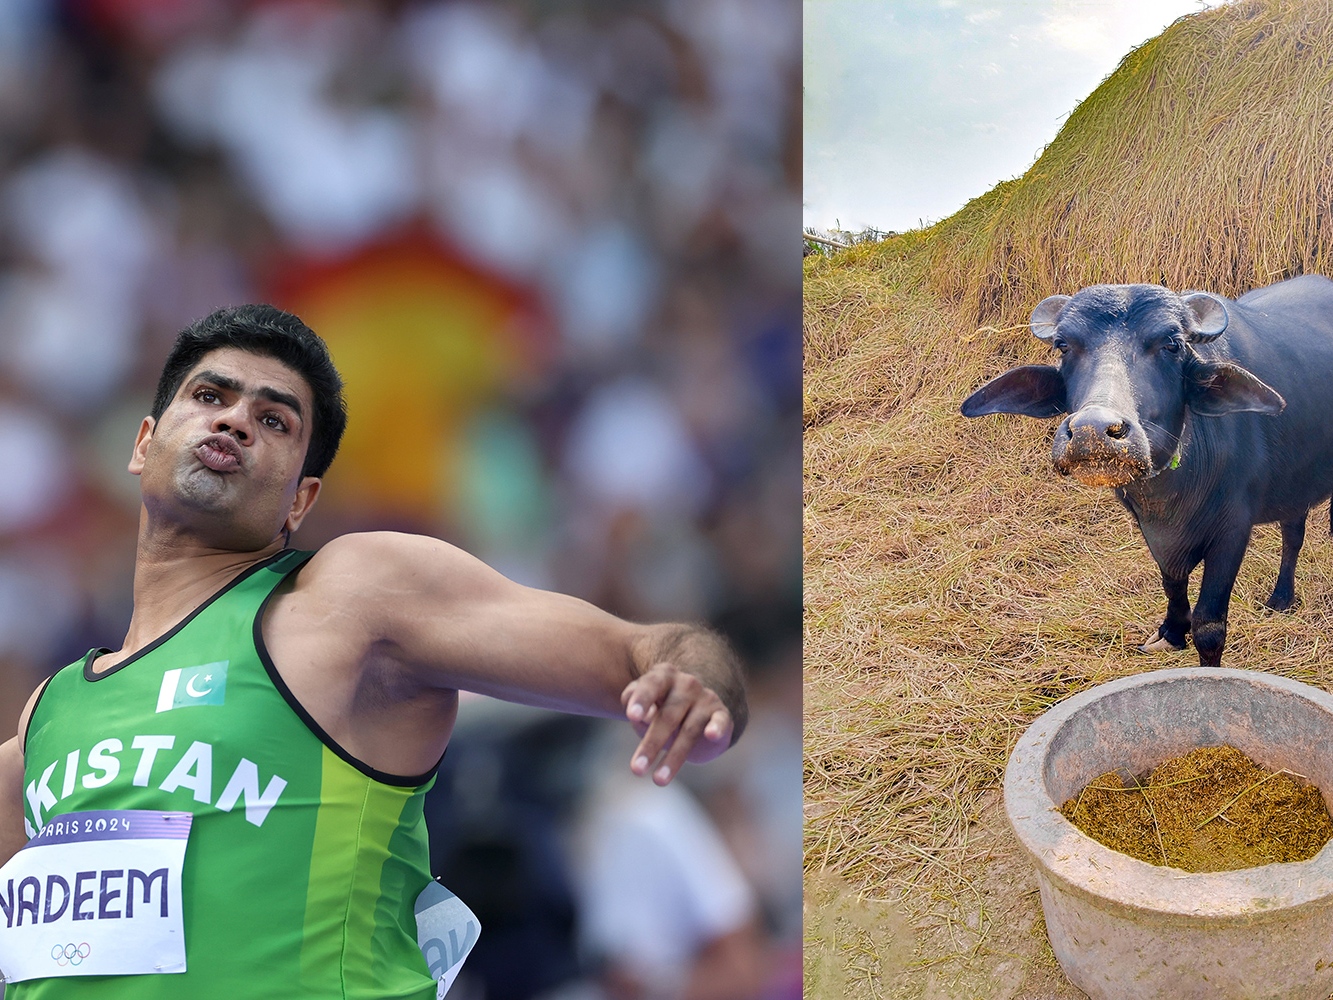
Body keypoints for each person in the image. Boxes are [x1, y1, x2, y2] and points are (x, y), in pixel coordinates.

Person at [0, 305, 747, 998]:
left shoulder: (347, 603)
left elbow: (645, 652)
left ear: (301, 500)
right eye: (209, 396)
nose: (233, 420)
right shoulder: (47, 719)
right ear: (142, 444)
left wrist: (694, 685)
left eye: (274, 420)